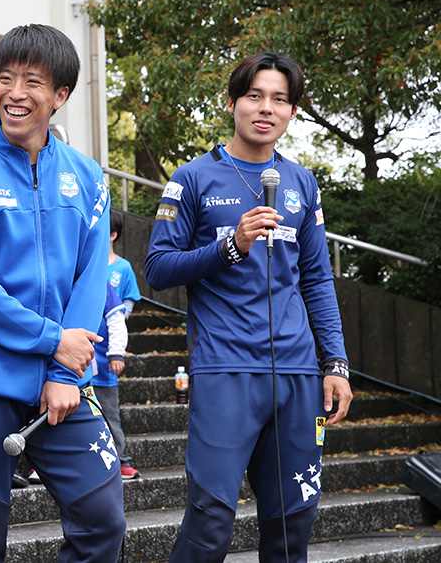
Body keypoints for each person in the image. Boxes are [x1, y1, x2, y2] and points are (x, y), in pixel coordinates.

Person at [0, 23, 126, 562]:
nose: (14, 93)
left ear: (60, 95)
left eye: (32, 81)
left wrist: (64, 371)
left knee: (102, 522)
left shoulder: (89, 177)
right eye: (5, 78)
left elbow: (91, 278)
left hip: (63, 387)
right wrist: (52, 341)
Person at [145, 52, 352, 562]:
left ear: (292, 112)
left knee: (292, 526)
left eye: (279, 99)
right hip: (225, 370)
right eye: (255, 96)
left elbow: (317, 279)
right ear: (233, 102)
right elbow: (157, 267)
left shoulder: (302, 183)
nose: (266, 108)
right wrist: (230, 246)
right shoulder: (192, 178)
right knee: (210, 521)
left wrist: (336, 362)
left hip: (298, 375)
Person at [89, 283, 137, 480]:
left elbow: (116, 318)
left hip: (101, 368)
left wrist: (116, 352)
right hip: (66, 370)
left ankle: (119, 459)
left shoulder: (100, 282)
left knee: (109, 416)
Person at [108, 211, 141, 319]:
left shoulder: (124, 267)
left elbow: (129, 298)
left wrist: (121, 319)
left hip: (114, 326)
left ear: (112, 235)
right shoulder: (88, 265)